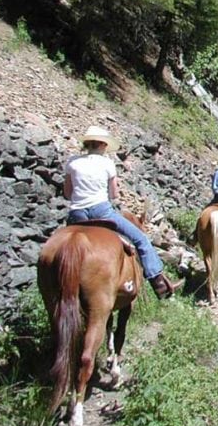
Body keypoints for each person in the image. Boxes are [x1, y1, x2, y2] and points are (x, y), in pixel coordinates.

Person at [64, 126, 182, 299]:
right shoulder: (107, 163)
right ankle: (159, 283)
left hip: (76, 214)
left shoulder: (73, 162)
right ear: (103, 145)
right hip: (101, 211)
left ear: (87, 144)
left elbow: (67, 193)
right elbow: (114, 194)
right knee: (140, 239)